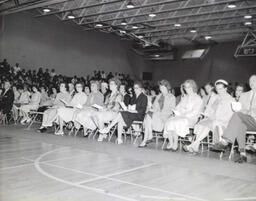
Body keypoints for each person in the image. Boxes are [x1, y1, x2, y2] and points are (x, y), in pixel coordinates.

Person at [210, 75, 256, 163]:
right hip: (247, 120)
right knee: (240, 123)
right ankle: (242, 154)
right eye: (250, 81)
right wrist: (239, 109)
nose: (252, 83)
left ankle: (225, 141)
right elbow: (241, 109)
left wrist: (248, 111)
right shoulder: (244, 95)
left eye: (254, 81)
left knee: (238, 116)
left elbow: (247, 111)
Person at [183, 79, 235, 153]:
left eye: (221, 89)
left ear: (226, 88)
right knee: (201, 124)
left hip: (223, 122)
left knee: (207, 125)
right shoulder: (217, 98)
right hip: (212, 120)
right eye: (217, 89)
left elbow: (230, 116)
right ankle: (194, 146)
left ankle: (193, 146)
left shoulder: (231, 100)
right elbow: (211, 110)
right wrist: (207, 114)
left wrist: (215, 118)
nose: (219, 91)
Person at [163, 79, 202, 151]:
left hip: (191, 118)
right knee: (170, 121)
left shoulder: (197, 98)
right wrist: (176, 112)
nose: (187, 89)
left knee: (177, 122)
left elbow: (196, 111)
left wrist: (184, 115)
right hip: (181, 117)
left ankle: (175, 145)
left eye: (189, 87)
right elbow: (178, 107)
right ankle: (171, 143)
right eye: (186, 87)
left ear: (193, 87)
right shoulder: (185, 97)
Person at [139, 80, 176, 147]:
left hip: (165, 117)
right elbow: (154, 107)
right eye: (161, 88)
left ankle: (148, 137)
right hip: (156, 116)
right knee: (148, 116)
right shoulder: (158, 96)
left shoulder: (172, 97)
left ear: (167, 88)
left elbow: (172, 110)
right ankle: (146, 138)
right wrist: (153, 109)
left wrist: (160, 113)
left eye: (163, 88)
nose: (162, 89)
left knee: (148, 118)